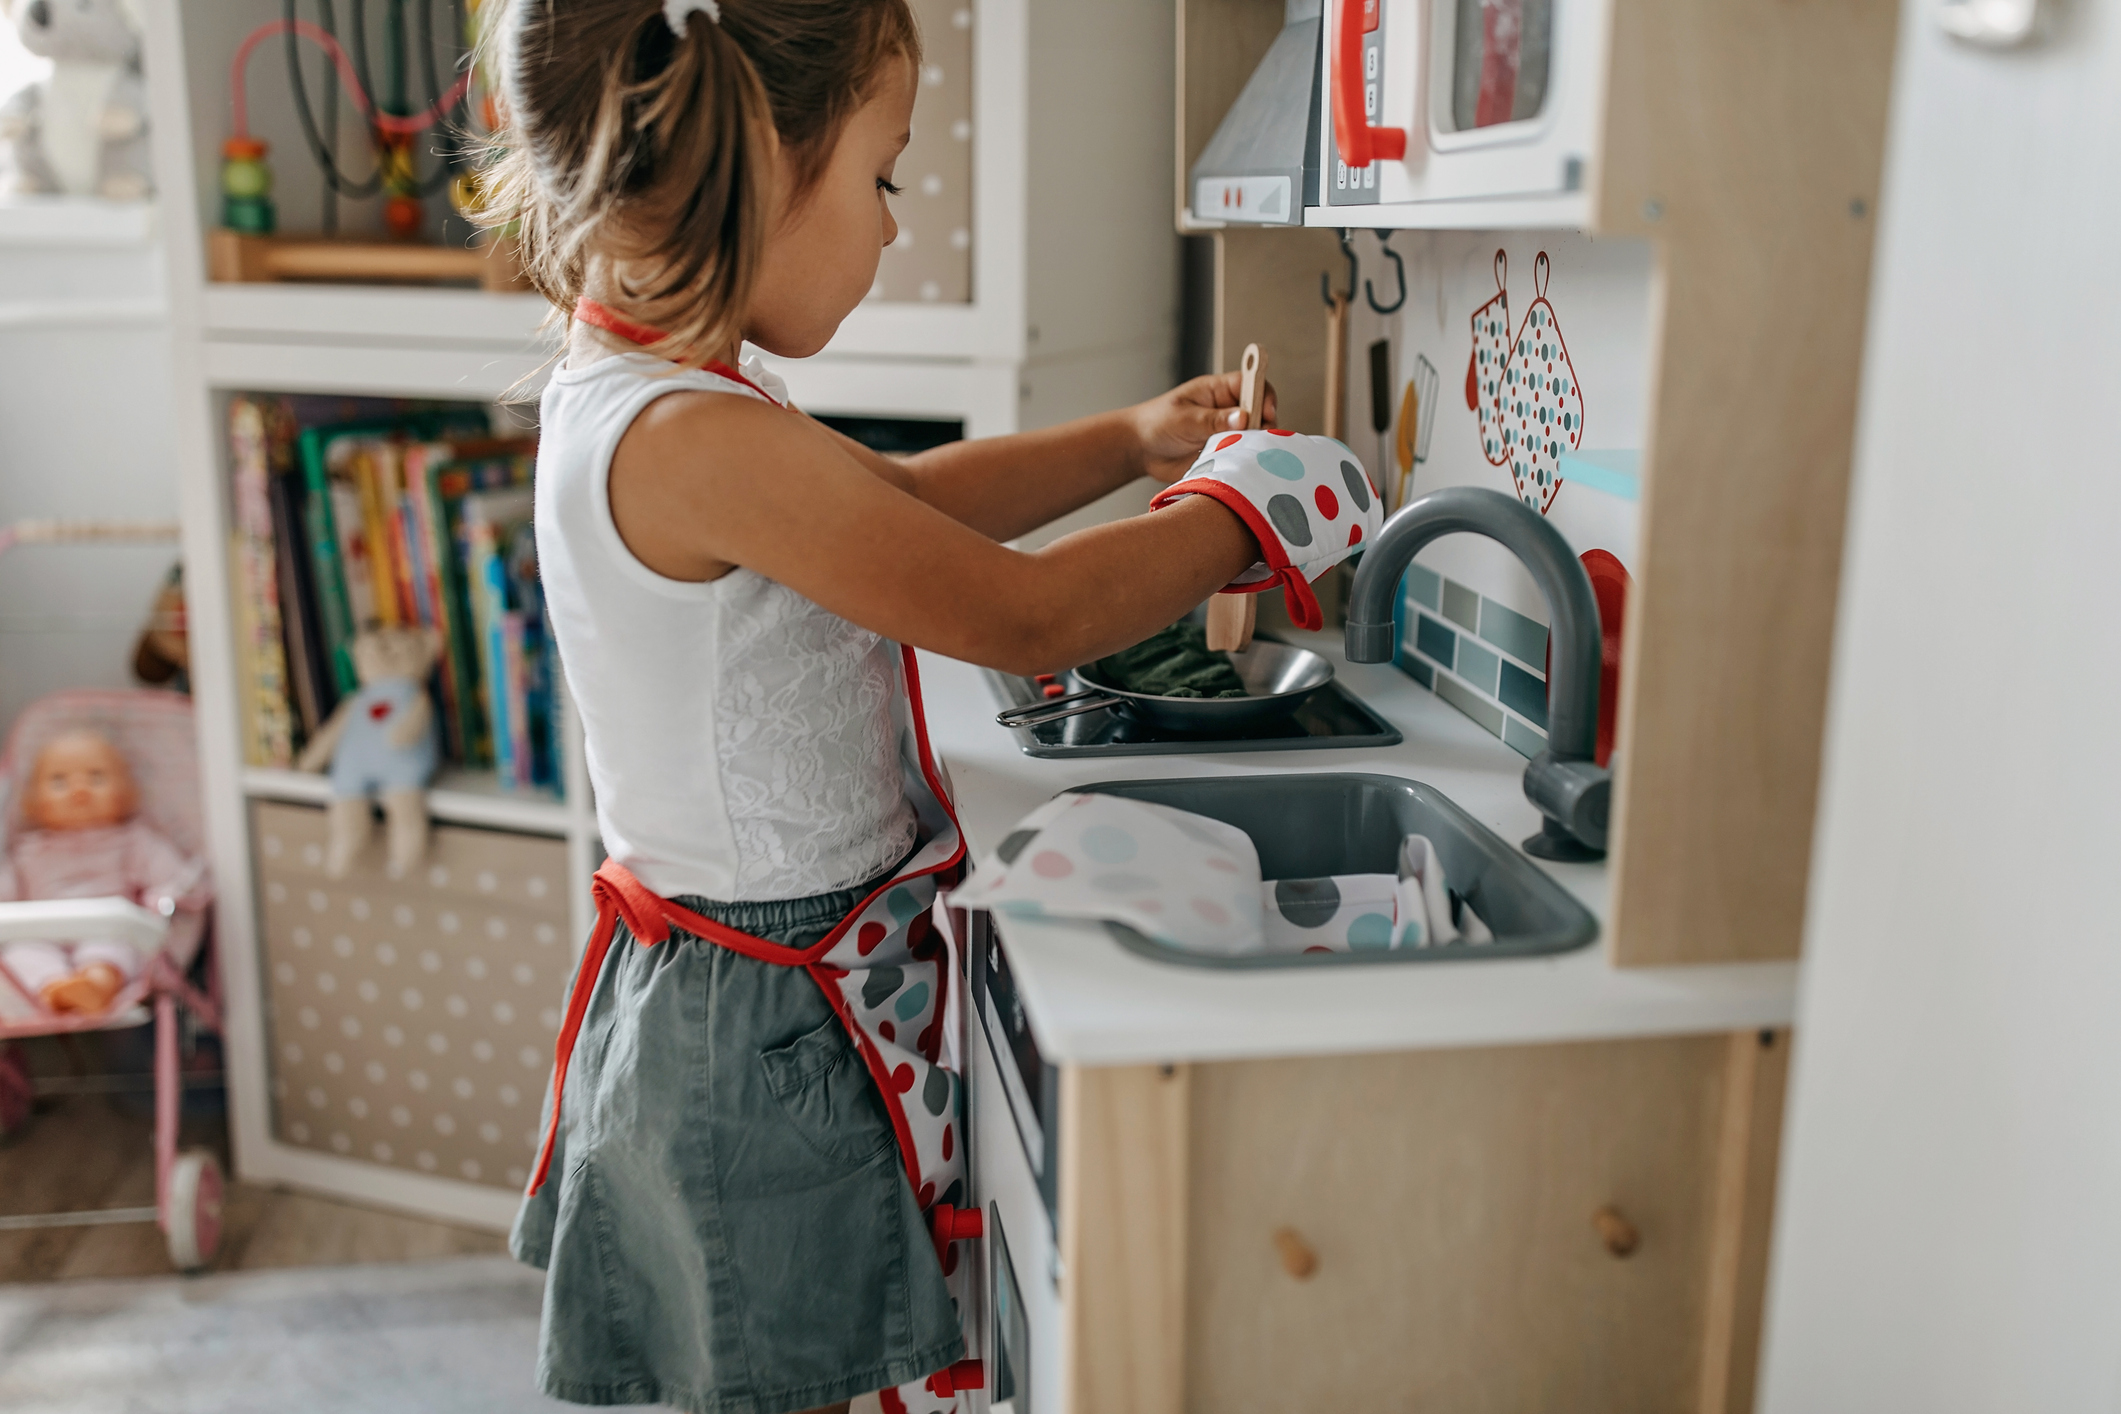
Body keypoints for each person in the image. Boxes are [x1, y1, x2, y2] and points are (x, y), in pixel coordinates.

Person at [485, 2, 1360, 1411]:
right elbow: (1020, 613)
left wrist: (1129, 444)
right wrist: (1249, 516)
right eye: (883, 176)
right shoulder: (688, 436)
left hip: (773, 989)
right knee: (803, 1374)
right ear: (766, 160)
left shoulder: (660, 390)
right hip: (762, 1019)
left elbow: (904, 502)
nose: (892, 226)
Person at [0, 730, 207, 1014]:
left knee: (114, 948)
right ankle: (55, 989)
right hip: (45, 937)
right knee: (20, 953)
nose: (79, 789)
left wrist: (165, 898)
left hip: (106, 932)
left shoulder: (133, 841)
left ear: (124, 794)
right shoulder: (28, 852)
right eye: (59, 781)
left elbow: (179, 881)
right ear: (34, 802)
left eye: (96, 777)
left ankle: (95, 985)